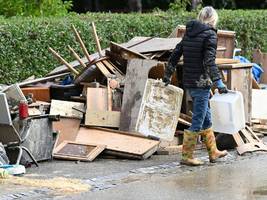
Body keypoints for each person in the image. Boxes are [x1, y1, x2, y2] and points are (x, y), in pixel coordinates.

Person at [163, 6, 228, 166]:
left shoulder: (189, 32)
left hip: (190, 82)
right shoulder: (210, 35)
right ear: (213, 19)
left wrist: (167, 75)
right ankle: (187, 156)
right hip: (201, 83)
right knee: (198, 120)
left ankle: (213, 152)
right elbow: (209, 62)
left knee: (206, 117)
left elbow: (175, 54)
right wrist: (218, 82)